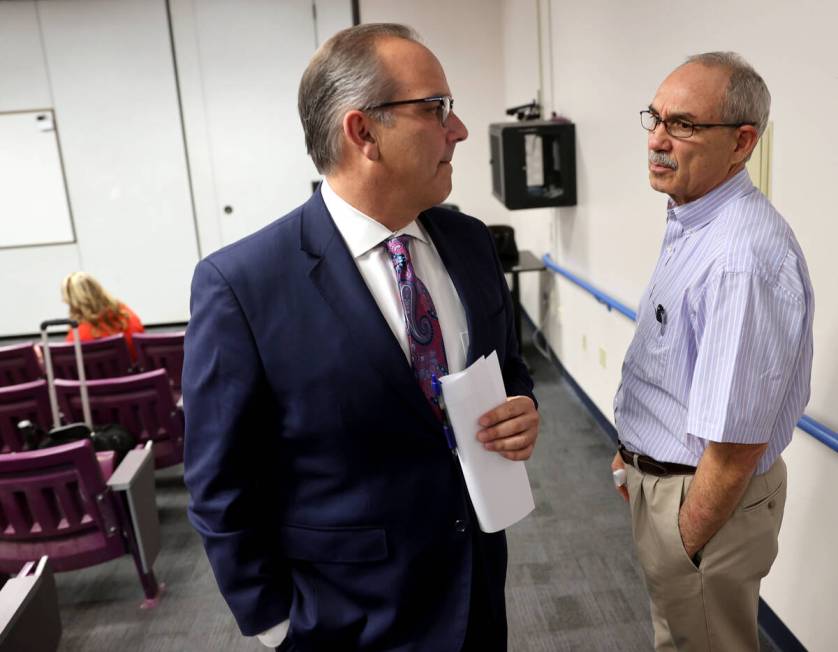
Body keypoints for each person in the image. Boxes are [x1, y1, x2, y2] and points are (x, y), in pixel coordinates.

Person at [182, 23, 539, 652]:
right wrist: (275, 626)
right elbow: (219, 482)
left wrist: (521, 409)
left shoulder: (471, 243)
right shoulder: (242, 285)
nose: (458, 130)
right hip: (348, 620)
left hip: (477, 590)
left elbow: (509, 371)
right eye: (436, 109)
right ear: (362, 132)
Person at [611, 52, 814, 651]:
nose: (656, 140)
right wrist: (631, 454)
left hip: (702, 501)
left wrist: (684, 542)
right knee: (679, 638)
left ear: (742, 141)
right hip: (667, 485)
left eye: (683, 125)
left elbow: (733, 446)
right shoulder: (692, 218)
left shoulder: (739, 259)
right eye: (654, 118)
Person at [61, 271, 144, 362]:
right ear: (98, 289)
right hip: (136, 375)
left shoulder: (76, 338)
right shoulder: (128, 317)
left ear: (72, 303)